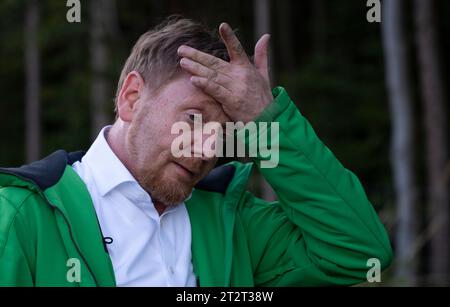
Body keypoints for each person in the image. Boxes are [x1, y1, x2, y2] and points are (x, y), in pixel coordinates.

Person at [0, 17, 392, 286]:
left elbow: (359, 251)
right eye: (192, 117)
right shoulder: (22, 218)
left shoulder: (233, 223)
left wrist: (267, 120)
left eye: (223, 132)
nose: (207, 148)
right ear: (132, 98)